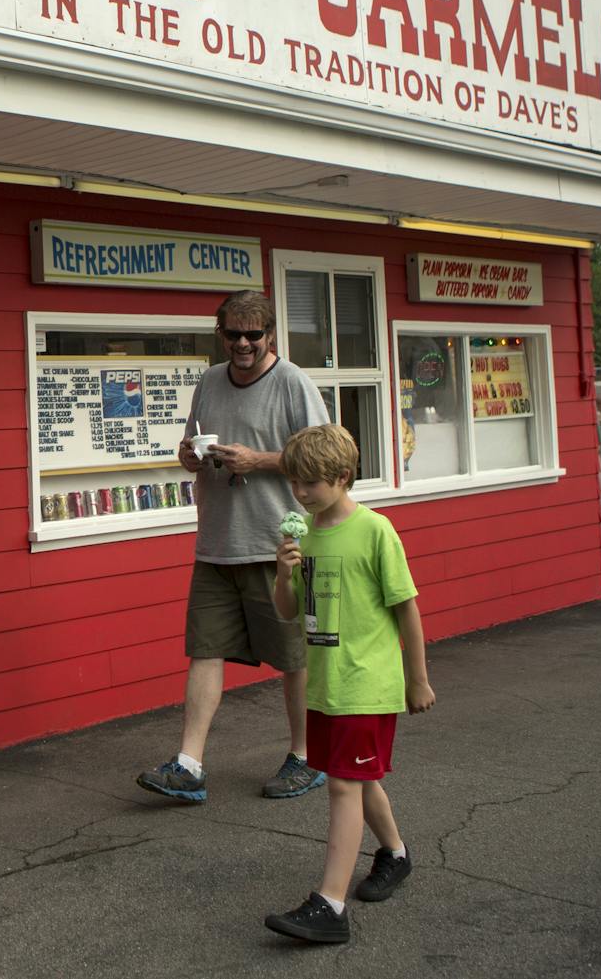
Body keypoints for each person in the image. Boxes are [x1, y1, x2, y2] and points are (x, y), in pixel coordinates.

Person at [136, 289, 330, 806]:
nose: (243, 344)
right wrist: (190, 457)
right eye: (232, 334)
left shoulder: (292, 383)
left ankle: (306, 758)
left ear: (270, 335)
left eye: (253, 334)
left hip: (277, 544)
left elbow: (326, 460)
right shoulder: (208, 381)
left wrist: (259, 461)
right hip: (216, 542)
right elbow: (190, 444)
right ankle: (189, 765)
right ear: (219, 333)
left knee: (294, 658)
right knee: (204, 650)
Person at [263, 423, 435, 946]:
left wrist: (417, 679)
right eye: (294, 483)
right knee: (358, 779)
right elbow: (290, 614)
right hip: (327, 684)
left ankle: (329, 904)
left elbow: (407, 609)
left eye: (310, 484)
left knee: (342, 784)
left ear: (341, 477)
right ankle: (396, 855)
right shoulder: (305, 536)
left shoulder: (376, 530)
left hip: (368, 681)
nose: (300, 493)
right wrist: (283, 571)